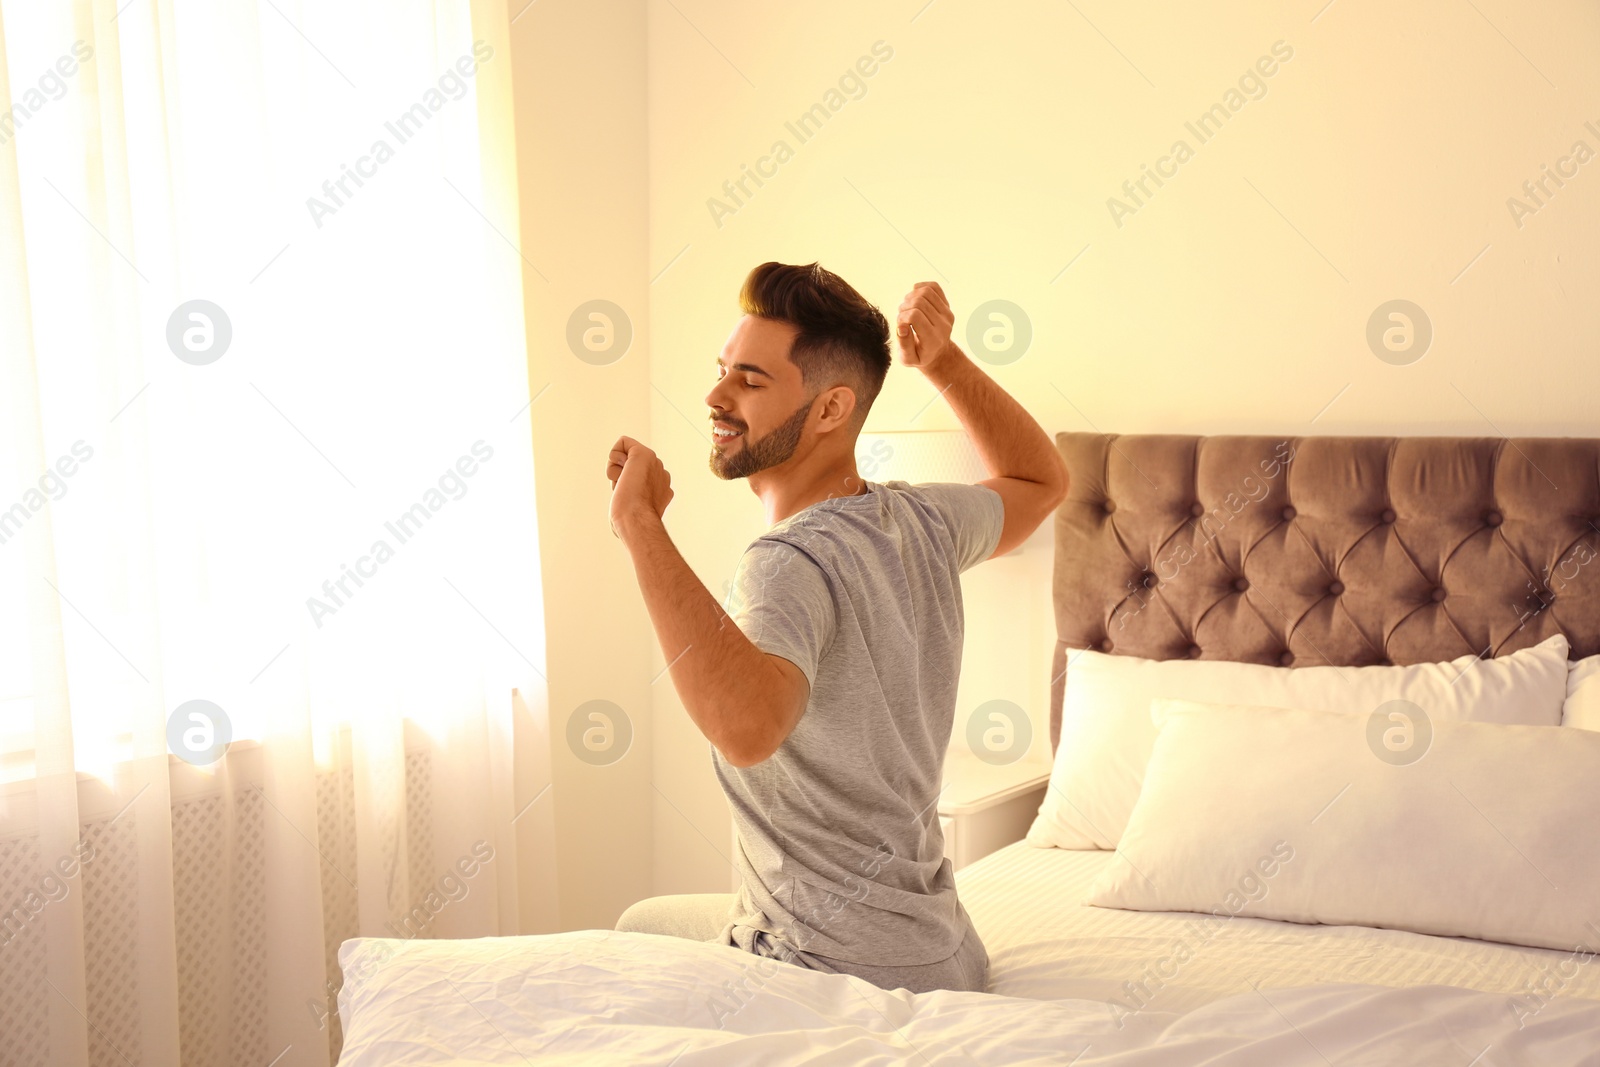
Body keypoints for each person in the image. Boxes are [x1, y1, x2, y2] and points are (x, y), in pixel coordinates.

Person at [606, 262, 1067, 995]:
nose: (715, 397)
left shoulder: (785, 563)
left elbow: (749, 725)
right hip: (939, 954)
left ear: (830, 410)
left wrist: (639, 526)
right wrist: (942, 362)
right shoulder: (924, 519)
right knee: (642, 922)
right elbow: (1042, 481)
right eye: (723, 371)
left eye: (750, 382)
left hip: (828, 971)